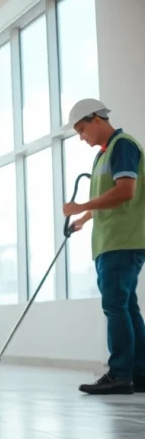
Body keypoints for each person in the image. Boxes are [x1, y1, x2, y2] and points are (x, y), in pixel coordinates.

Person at [62, 98, 145, 395]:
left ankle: (120, 374)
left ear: (97, 118)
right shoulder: (103, 155)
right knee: (127, 307)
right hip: (112, 241)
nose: (82, 138)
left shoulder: (123, 145)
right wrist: (84, 217)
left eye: (83, 130)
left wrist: (81, 204)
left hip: (122, 241)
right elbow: (108, 196)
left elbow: (125, 191)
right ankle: (138, 374)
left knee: (115, 306)